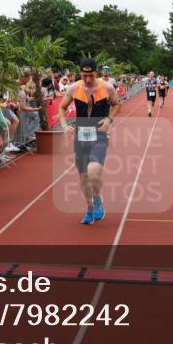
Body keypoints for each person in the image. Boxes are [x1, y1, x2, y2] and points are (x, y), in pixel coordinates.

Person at [59, 59, 121, 225]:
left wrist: (109, 119)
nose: (87, 79)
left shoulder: (106, 87)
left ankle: (98, 199)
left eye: (91, 75)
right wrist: (64, 125)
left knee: (93, 171)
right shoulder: (74, 88)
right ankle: (90, 207)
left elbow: (116, 105)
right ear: (80, 73)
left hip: (99, 135)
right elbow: (62, 107)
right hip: (81, 136)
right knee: (83, 176)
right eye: (84, 75)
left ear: (97, 72)